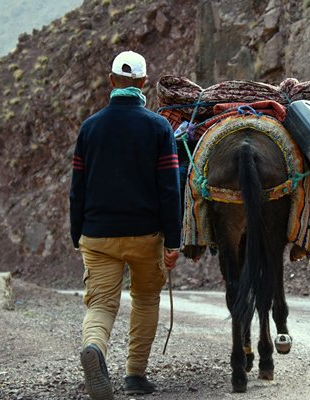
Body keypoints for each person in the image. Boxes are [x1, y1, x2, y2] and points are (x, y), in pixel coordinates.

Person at [69, 50, 181, 400]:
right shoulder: (159, 127)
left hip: (98, 235)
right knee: (146, 300)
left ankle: (95, 349)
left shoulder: (90, 128)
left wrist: (78, 235)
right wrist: (173, 240)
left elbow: (77, 190)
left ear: (112, 80)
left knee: (101, 305)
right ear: (144, 83)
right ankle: (134, 376)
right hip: (147, 236)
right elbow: (170, 188)